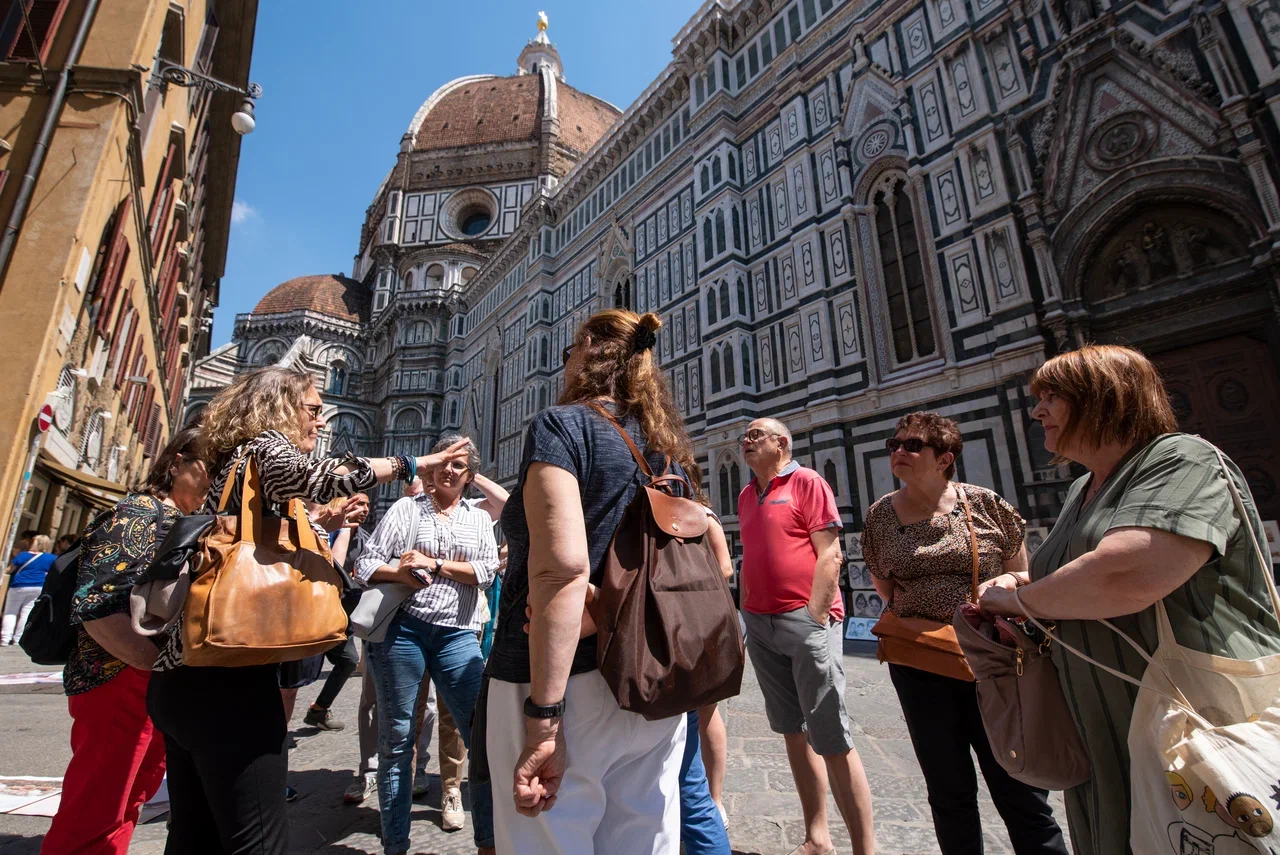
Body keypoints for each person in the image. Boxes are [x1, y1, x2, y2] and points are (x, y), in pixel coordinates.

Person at [146, 366, 471, 855]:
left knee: (195, 836)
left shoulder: (236, 459)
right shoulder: (264, 447)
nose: (321, 422)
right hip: (228, 680)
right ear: (279, 408)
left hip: (185, 678)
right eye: (314, 410)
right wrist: (414, 463)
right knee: (256, 841)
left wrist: (323, 521)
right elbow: (327, 476)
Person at [977, 344, 1280, 854]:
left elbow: (1129, 574)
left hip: (1186, 719)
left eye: (1052, 396)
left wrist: (1018, 603)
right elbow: (1072, 577)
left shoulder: (1183, 459)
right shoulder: (1083, 490)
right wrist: (1022, 585)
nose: (1037, 411)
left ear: (1104, 399)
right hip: (1103, 726)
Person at [487, 309, 700, 854]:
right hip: (652, 686)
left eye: (568, 353)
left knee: (548, 838)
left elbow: (562, 570)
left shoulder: (562, 427)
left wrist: (543, 719)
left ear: (587, 350)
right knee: (644, 839)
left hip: (566, 681)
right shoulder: (666, 448)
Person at [861, 411, 1067, 855]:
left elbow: (1021, 571)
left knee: (1019, 785)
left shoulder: (984, 504)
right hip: (919, 663)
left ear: (944, 457)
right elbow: (886, 585)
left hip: (990, 660)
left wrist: (1006, 584)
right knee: (948, 789)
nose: (899, 451)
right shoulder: (880, 516)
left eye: (913, 445)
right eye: (893, 444)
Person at [40, 429, 211, 855]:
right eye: (208, 464)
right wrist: (154, 667)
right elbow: (97, 608)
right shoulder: (140, 513)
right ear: (175, 463)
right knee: (96, 805)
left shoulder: (175, 521)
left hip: (146, 680)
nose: (214, 476)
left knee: (130, 798)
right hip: (118, 677)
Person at [737, 417, 874, 855]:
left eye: (755, 435)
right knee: (792, 732)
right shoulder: (745, 495)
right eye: (745, 436)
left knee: (831, 735)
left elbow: (829, 553)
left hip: (805, 622)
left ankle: (864, 849)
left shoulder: (807, 482)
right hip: (760, 623)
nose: (746, 440)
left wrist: (815, 617)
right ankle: (818, 837)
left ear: (781, 443)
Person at [355, 435, 498, 855]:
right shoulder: (406, 508)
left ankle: (488, 842)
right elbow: (366, 564)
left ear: (470, 476)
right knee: (397, 740)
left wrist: (435, 564)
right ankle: (395, 843)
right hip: (404, 631)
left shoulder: (477, 518)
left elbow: (487, 571)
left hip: (457, 633)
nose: (449, 471)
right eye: (443, 463)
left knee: (481, 737)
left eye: (459, 465)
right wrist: (400, 574)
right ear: (430, 467)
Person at [3, 534, 55, 645]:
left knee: (11, 612)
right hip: (38, 586)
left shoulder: (23, 556)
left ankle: (5, 638)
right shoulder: (51, 558)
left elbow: (9, 570)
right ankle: (18, 639)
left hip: (19, 585)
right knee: (26, 612)